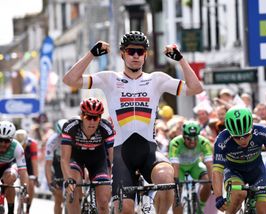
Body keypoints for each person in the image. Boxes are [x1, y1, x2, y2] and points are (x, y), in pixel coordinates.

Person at [63, 30, 203, 213]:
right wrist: (91, 54)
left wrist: (180, 59)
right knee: (126, 209)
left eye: (140, 51)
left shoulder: (157, 79)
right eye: (131, 51)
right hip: (123, 155)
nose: (135, 55)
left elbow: (196, 88)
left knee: (168, 180)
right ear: (122, 54)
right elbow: (70, 80)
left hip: (149, 151)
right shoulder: (110, 79)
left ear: (146, 55)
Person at [212, 106, 266, 214]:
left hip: (257, 172)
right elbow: (217, 171)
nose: (242, 140)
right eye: (237, 137)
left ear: (252, 128)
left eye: (246, 135)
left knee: (263, 210)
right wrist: (218, 197)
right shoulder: (221, 140)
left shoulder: (263, 132)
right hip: (234, 171)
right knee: (239, 193)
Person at [60, 98, 115, 214]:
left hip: (98, 160)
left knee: (104, 202)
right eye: (88, 117)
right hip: (76, 158)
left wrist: (113, 175)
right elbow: (64, 158)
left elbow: (112, 157)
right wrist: (68, 179)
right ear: (81, 116)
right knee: (72, 190)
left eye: (96, 118)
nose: (92, 122)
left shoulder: (106, 128)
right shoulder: (70, 127)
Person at [168, 121, 212, 214]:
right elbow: (175, 165)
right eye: (188, 139)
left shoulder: (204, 142)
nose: (192, 142)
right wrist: (176, 183)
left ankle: (201, 207)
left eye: (195, 138)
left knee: (207, 181)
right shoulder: (175, 143)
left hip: (195, 165)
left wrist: (212, 182)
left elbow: (209, 163)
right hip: (179, 167)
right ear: (183, 136)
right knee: (177, 193)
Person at [0, 121, 29, 214]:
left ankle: (10, 210)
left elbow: (23, 171)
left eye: (7, 141)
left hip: (8, 166)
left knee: (9, 178)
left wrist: (25, 189)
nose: (3, 144)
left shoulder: (17, 147)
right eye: (0, 140)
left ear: (12, 140)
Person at [45, 119, 68, 214]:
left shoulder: (74, 137)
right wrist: (50, 182)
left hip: (69, 161)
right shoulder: (52, 141)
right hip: (57, 164)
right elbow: (48, 165)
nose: (63, 137)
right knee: (58, 198)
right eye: (61, 135)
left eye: (65, 135)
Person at [14, 129, 40, 213]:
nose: (22, 147)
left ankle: (28, 208)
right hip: (16, 163)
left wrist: (36, 177)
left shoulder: (33, 144)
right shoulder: (13, 144)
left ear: (26, 141)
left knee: (31, 185)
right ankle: (20, 204)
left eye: (23, 145)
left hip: (28, 164)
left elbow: (34, 162)